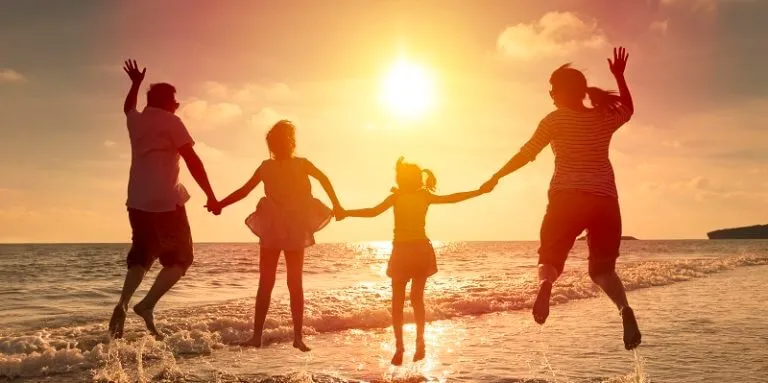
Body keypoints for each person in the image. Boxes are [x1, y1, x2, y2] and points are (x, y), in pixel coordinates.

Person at [482, 47, 641, 350]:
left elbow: (526, 154)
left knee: (550, 259)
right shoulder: (603, 117)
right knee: (603, 270)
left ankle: (545, 287)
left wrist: (497, 176)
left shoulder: (554, 120)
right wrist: (620, 77)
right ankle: (624, 309)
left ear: (563, 92)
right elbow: (629, 110)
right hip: (604, 202)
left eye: (552, 90)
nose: (550, 95)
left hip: (567, 198)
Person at [336, 157, 488, 365]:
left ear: (401, 180)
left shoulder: (396, 198)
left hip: (402, 252)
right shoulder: (423, 196)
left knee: (397, 303)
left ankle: (399, 348)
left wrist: (346, 213)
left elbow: (372, 212)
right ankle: (420, 343)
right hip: (421, 250)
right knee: (417, 299)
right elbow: (454, 198)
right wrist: (479, 191)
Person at [207, 120, 342, 352]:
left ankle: (257, 336)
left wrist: (220, 204)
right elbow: (324, 179)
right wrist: (337, 205)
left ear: (271, 145)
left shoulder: (265, 167)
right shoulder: (301, 164)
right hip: (294, 225)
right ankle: (298, 337)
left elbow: (243, 191)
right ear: (291, 143)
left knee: (265, 282)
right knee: (294, 282)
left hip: (272, 225)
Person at [108, 60, 219, 340]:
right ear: (169, 102)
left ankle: (122, 301)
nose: (177, 103)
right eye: (175, 99)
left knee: (142, 255)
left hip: (137, 200)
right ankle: (147, 305)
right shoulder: (172, 122)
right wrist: (211, 195)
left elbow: (128, 108)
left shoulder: (137, 121)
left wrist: (134, 84)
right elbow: (193, 160)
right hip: (166, 202)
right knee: (181, 258)